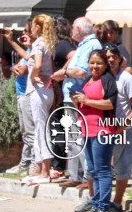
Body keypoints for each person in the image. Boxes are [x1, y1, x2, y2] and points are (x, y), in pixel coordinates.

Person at [4, 14, 57, 185]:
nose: (31, 29)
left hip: (39, 90)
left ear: (38, 27)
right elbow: (29, 59)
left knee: (41, 130)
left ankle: (45, 171)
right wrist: (13, 42)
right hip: (45, 90)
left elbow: (38, 65)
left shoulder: (39, 44)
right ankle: (40, 169)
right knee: (39, 130)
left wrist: (34, 76)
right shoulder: (45, 43)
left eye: (33, 26)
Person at [57, 16, 102, 193]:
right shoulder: (83, 45)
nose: (71, 30)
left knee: (80, 137)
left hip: (79, 96)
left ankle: (86, 176)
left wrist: (65, 73)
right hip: (71, 96)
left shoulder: (92, 45)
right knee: (72, 137)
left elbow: (84, 71)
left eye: (74, 27)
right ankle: (75, 175)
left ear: (81, 29)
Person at [71, 49, 118, 212]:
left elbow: (110, 104)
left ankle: (103, 206)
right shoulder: (88, 80)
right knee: (93, 170)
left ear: (105, 65)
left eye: (99, 63)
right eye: (92, 62)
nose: (95, 66)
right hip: (87, 130)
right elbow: (84, 103)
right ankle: (97, 203)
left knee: (102, 170)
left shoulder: (107, 80)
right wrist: (77, 101)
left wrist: (87, 100)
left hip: (102, 131)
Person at [103, 43, 132, 211]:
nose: (111, 59)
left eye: (114, 56)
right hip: (101, 129)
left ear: (120, 59)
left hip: (121, 131)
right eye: (107, 57)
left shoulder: (126, 79)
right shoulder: (100, 77)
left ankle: (117, 203)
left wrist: (123, 125)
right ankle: (99, 201)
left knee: (122, 168)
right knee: (99, 167)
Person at [4, 24, 34, 176]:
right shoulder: (27, 51)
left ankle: (30, 164)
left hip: (27, 95)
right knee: (25, 131)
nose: (23, 34)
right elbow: (15, 67)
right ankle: (25, 162)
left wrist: (12, 42)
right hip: (21, 93)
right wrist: (13, 68)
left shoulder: (34, 50)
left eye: (26, 32)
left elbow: (21, 70)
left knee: (30, 131)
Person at [50, 16, 76, 180]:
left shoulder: (62, 45)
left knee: (58, 128)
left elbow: (73, 56)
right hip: (60, 91)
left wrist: (61, 73)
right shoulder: (64, 43)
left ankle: (58, 166)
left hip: (60, 92)